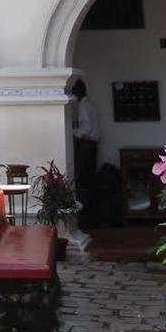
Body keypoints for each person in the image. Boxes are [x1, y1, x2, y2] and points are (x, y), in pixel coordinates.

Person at [70, 77, 101, 229]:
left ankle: (86, 219)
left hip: (86, 146)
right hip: (92, 145)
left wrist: (72, 131)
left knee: (82, 182)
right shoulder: (91, 105)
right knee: (88, 182)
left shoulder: (83, 106)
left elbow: (86, 130)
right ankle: (91, 218)